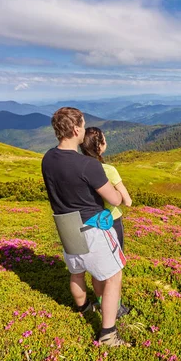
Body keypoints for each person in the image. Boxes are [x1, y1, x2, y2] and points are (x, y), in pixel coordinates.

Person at [41, 107, 130, 347]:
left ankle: (83, 307)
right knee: (113, 276)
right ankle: (108, 333)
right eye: (83, 123)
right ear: (76, 129)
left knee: (77, 272)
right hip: (92, 228)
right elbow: (114, 199)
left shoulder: (48, 158)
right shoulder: (88, 166)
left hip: (65, 226)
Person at [80, 127, 132, 250]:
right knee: (116, 260)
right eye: (105, 140)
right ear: (100, 146)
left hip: (87, 221)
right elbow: (127, 201)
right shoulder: (109, 170)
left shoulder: (78, 167)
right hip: (111, 221)